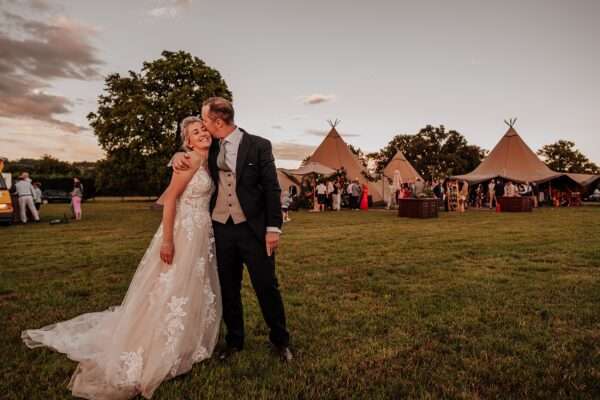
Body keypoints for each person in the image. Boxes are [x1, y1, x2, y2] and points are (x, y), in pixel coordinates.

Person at [23, 116, 222, 399]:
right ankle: (157, 346)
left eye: (203, 129)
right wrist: (167, 240)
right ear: (187, 141)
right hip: (182, 233)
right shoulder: (187, 161)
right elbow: (169, 203)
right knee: (171, 287)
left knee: (190, 286)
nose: (202, 133)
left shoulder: (209, 159)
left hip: (201, 232)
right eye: (195, 132)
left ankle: (185, 341)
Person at [171, 97, 291, 362]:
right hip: (220, 229)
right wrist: (179, 154)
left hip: (254, 229)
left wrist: (273, 228)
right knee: (228, 287)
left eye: (204, 120)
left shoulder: (259, 145)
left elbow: (272, 188)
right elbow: (191, 156)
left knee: (266, 285)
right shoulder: (210, 146)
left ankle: (280, 341)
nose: (202, 125)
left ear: (217, 121)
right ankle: (235, 340)